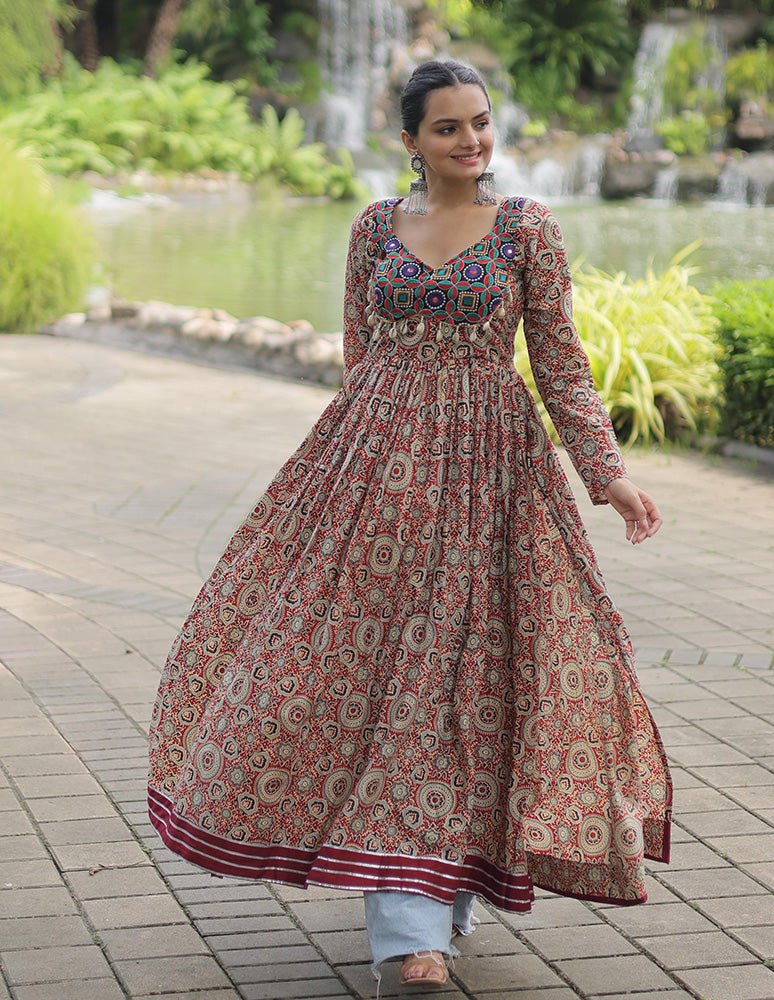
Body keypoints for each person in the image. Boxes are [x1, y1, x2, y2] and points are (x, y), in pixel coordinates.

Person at [147, 59, 672, 994]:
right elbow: (360, 353)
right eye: (448, 127)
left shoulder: (526, 230)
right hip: (374, 477)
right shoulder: (373, 228)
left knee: (474, 684)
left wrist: (609, 478)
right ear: (410, 141)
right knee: (365, 671)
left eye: (480, 122)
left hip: (494, 479)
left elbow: (559, 361)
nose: (472, 141)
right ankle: (413, 927)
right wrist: (352, 465)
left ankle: (429, 912)